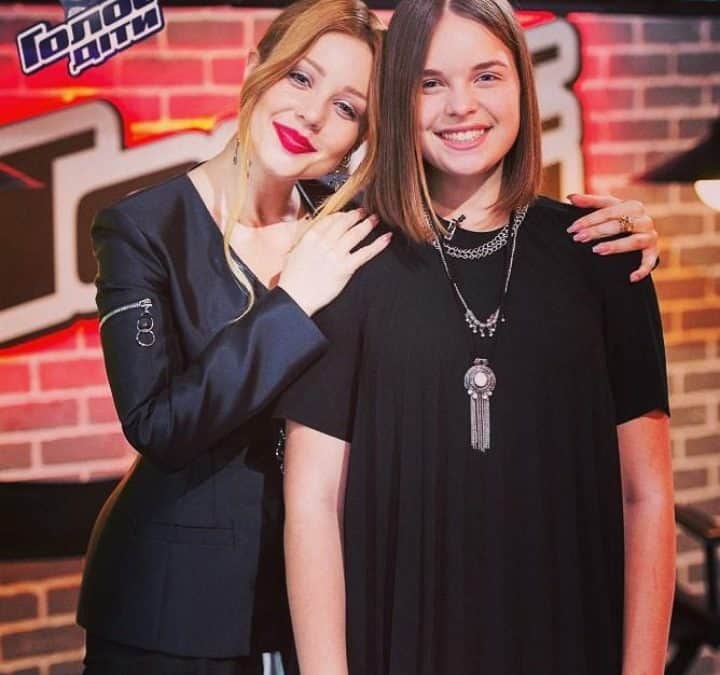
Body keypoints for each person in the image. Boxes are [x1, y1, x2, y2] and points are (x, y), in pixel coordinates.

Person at [277, 1, 675, 674]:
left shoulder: (604, 255)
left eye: (486, 76)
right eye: (430, 83)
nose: (461, 105)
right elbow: (312, 503)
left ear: (522, 82)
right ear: (397, 98)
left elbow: (648, 496)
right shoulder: (345, 260)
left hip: (572, 637)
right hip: (399, 643)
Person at [77, 2, 388, 673]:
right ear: (255, 70)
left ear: (360, 138)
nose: (313, 114)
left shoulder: (348, 230)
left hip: (313, 596)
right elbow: (158, 424)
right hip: (170, 607)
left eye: (346, 107)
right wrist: (292, 302)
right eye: (300, 77)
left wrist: (605, 233)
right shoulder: (142, 230)